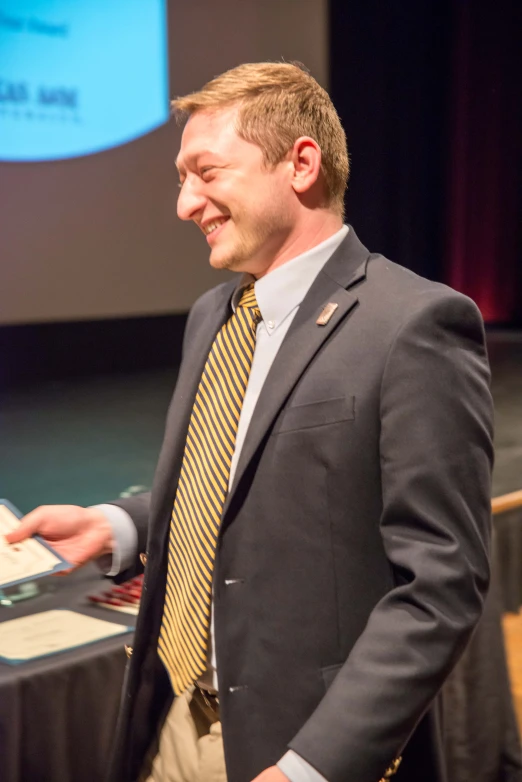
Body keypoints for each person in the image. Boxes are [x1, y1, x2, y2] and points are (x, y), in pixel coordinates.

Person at [6, 62, 494, 782]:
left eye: (205, 172)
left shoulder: (414, 325)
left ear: (300, 164)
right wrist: (122, 526)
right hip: (172, 722)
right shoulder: (216, 315)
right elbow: (238, 486)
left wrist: (311, 766)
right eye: (180, 178)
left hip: (300, 750)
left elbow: (441, 585)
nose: (184, 204)